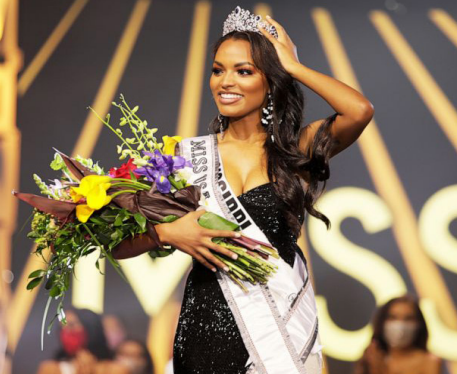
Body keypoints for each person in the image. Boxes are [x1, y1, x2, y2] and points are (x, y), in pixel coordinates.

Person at [153, 6, 374, 373]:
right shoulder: (184, 156)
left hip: (280, 329)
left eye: (244, 71)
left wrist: (295, 66)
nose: (226, 81)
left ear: (270, 80)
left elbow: (359, 111)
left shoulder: (294, 149)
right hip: (205, 325)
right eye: (218, 70)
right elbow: (124, 243)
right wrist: (166, 232)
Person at [354, 295, 442, 374]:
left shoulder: (429, 361)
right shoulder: (373, 358)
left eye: (408, 318)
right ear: (382, 322)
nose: (400, 324)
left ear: (419, 324)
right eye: (393, 317)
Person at [36, 308, 128, 374]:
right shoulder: (50, 369)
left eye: (72, 325)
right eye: (62, 327)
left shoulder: (114, 370)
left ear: (91, 328)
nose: (66, 331)